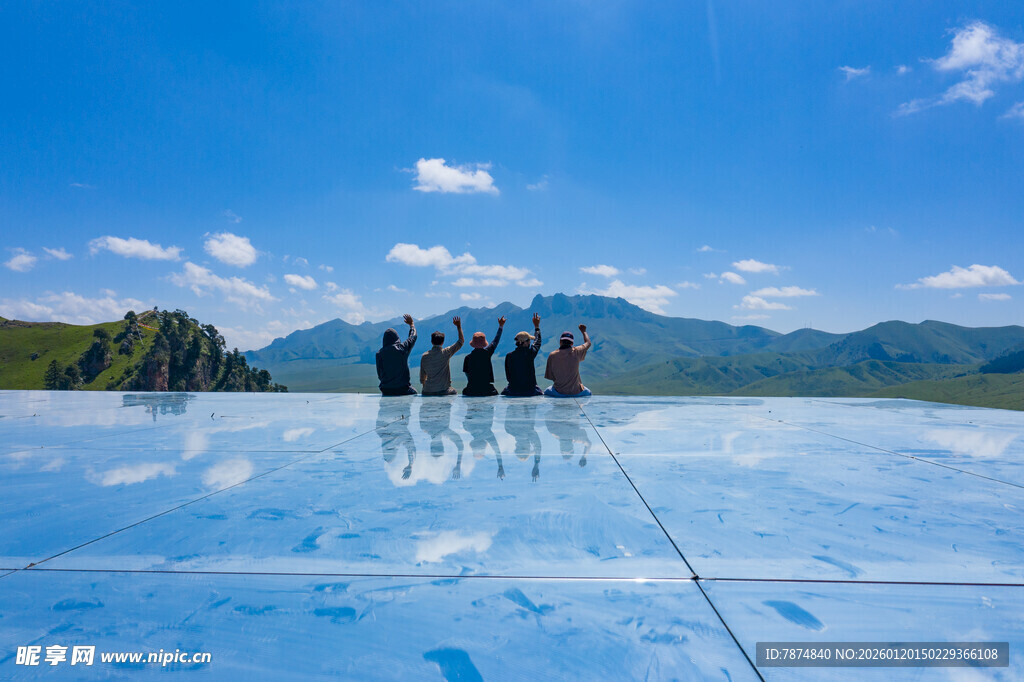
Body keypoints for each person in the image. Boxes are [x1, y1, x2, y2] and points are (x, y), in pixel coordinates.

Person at [544, 324, 592, 397]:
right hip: (577, 392)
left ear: (560, 342)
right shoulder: (577, 351)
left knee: (546, 392)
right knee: (588, 393)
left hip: (558, 392)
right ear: (572, 343)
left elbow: (552, 377)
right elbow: (588, 343)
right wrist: (584, 331)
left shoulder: (552, 355)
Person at [420, 316, 464, 396]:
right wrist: (459, 326)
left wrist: (427, 389)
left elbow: (422, 377)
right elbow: (460, 341)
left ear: (431, 342)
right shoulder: (446, 352)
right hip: (443, 390)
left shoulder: (424, 356)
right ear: (443, 342)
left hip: (427, 391)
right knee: (454, 392)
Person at [462, 316, 506, 396]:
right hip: (487, 389)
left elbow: (467, 375)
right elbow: (495, 341)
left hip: (471, 389)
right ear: (484, 343)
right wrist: (501, 326)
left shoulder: (467, 358)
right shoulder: (487, 353)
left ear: (473, 343)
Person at [502, 313, 543, 397]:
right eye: (529, 341)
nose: (530, 342)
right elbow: (537, 341)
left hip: (513, 390)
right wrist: (537, 327)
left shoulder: (509, 356)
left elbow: (508, 377)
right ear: (526, 342)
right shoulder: (530, 353)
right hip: (530, 390)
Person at [376, 314, 417, 396]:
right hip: (403, 389)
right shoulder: (402, 348)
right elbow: (413, 337)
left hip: (386, 390)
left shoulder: (379, 354)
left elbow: (380, 374)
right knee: (415, 393)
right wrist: (412, 325)